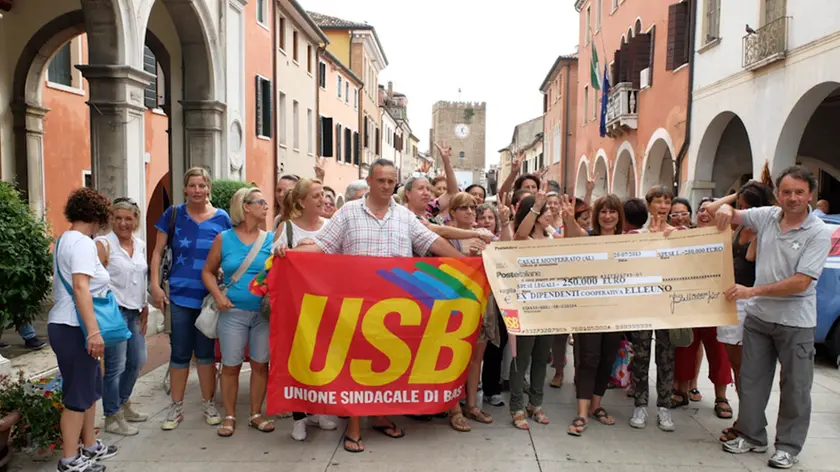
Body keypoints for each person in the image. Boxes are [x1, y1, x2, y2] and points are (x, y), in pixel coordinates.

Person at [274, 158, 465, 453]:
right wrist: (291, 250)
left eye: (391, 181)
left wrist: (465, 265)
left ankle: (378, 416)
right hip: (354, 305)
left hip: (395, 306)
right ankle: (353, 427)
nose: (387, 186)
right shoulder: (348, 213)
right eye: (381, 181)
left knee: (385, 367)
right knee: (356, 368)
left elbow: (432, 243)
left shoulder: (404, 216)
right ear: (370, 181)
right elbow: (321, 244)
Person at [710, 166, 831, 469]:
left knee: (795, 388)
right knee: (752, 382)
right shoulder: (766, 216)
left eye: (799, 192)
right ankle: (751, 436)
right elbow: (719, 212)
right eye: (787, 191)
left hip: (796, 322)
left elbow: (802, 282)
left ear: (810, 196)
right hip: (759, 320)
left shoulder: (817, 232)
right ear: (778, 194)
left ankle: (788, 446)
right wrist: (728, 204)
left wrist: (753, 291)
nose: (792, 198)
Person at [150, 167, 233, 431]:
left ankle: (208, 403)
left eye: (202, 185)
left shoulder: (222, 218)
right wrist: (155, 286)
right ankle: (176, 407)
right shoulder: (172, 215)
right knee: (180, 353)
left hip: (208, 298)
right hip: (179, 296)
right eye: (192, 186)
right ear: (185, 189)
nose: (197, 190)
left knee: (207, 354)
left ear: (208, 188)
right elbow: (157, 252)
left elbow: (229, 253)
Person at [50, 187, 118, 472]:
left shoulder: (67, 239)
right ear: (99, 216)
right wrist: (93, 332)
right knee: (77, 397)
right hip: (74, 326)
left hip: (67, 324)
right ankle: (69, 459)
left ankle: (89, 445)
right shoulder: (83, 244)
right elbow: (81, 287)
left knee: (88, 390)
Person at [202, 187, 275, 438]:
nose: (266, 206)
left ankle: (256, 414)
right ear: (246, 207)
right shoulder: (224, 238)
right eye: (261, 202)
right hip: (232, 312)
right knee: (231, 365)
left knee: (260, 364)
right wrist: (219, 296)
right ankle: (230, 415)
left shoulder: (271, 239)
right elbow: (207, 272)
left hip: (263, 315)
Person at [271, 178, 337, 441]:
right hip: (296, 310)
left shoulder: (332, 227)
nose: (324, 200)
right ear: (301, 202)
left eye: (323, 194)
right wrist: (283, 253)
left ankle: (318, 411)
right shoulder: (286, 228)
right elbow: (271, 265)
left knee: (322, 359)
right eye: (317, 196)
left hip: (326, 306)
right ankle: (299, 417)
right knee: (297, 361)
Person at [711, 182, 776, 443]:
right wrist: (734, 197)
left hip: (749, 300)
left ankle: (747, 421)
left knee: (747, 369)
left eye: (748, 206)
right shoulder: (739, 224)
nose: (743, 209)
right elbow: (711, 210)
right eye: (742, 205)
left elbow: (751, 259)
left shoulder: (766, 229)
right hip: (732, 300)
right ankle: (748, 419)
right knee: (737, 365)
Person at [561, 194, 626, 436]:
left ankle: (597, 406)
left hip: (616, 311)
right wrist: (568, 219)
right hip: (587, 310)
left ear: (619, 216)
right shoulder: (588, 237)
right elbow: (573, 232)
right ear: (597, 216)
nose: (608, 216)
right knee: (587, 359)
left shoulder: (628, 242)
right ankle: (581, 411)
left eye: (612, 212)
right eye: (603, 212)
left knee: (607, 358)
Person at [672, 198, 733, 419]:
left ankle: (721, 397)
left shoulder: (727, 236)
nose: (705, 214)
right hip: (689, 303)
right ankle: (681, 391)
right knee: (685, 348)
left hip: (718, 305)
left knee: (719, 352)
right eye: (701, 210)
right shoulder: (684, 236)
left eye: (711, 210)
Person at [94, 198, 149, 436]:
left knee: (137, 360)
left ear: (136, 220)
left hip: (135, 311)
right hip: (113, 312)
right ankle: (111, 416)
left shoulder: (140, 244)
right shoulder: (103, 244)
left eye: (128, 218)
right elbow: (94, 280)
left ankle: (123, 402)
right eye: (118, 218)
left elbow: (141, 278)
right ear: (111, 219)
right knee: (115, 366)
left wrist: (145, 304)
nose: (123, 223)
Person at [508, 187, 561, 430]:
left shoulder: (553, 238)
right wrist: (536, 205)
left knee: (541, 358)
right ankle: (517, 406)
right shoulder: (524, 240)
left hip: (549, 307)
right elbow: (519, 234)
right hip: (525, 307)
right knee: (522, 358)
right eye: (544, 209)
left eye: (550, 208)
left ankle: (536, 404)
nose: (549, 211)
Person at [626, 186, 677, 433]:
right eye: (658, 201)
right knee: (641, 355)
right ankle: (640, 403)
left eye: (667, 201)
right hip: (642, 304)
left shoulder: (679, 234)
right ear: (649, 204)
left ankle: (665, 406)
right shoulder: (636, 233)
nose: (663, 206)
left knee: (666, 356)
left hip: (668, 304)